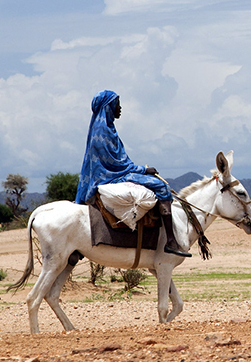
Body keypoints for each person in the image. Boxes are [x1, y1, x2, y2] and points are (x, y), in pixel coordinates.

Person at [74, 90, 192, 257]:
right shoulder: (103, 132)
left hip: (113, 172)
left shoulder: (105, 128)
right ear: (109, 107)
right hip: (110, 176)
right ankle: (171, 241)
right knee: (162, 187)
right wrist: (144, 170)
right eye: (117, 104)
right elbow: (116, 164)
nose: (120, 108)